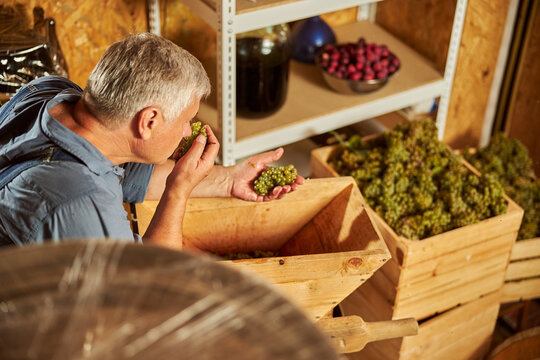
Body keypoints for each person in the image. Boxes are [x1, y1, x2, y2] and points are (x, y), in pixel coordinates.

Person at [0, 32, 304, 249]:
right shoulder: (80, 204)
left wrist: (227, 180)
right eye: (186, 120)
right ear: (149, 121)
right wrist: (178, 192)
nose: (188, 131)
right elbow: (149, 290)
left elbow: (127, 173)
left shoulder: (51, 91)